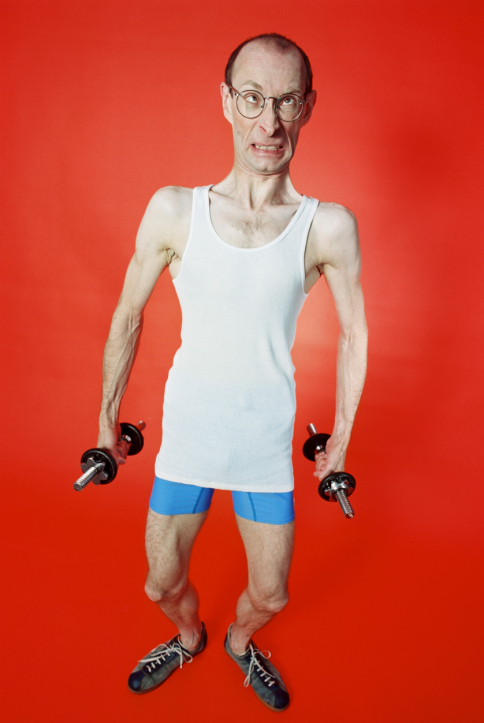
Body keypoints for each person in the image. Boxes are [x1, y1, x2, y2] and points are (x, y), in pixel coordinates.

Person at [97, 33, 368, 713]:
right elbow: (127, 314)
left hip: (263, 443)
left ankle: (241, 643)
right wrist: (105, 421)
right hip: (189, 434)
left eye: (284, 102)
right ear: (226, 102)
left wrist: (340, 439)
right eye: (252, 99)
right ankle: (188, 636)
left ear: (306, 107)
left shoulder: (325, 226)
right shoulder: (175, 210)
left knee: (272, 593)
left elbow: (355, 332)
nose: (268, 122)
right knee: (160, 584)